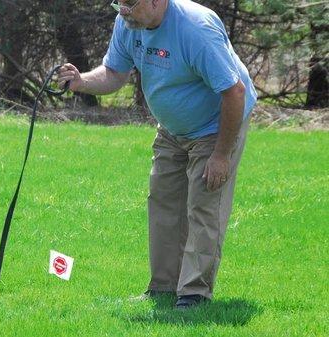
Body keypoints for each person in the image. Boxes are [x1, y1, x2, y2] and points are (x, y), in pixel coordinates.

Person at [58, 0, 257, 309]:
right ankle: (163, 287)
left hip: (215, 125)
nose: (122, 11)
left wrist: (221, 155)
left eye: (129, 4)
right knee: (163, 201)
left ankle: (194, 294)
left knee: (204, 205)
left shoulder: (195, 29)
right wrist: (82, 81)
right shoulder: (129, 23)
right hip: (172, 128)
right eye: (118, 3)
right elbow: (114, 72)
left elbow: (234, 92)